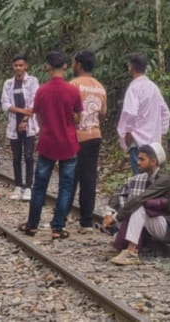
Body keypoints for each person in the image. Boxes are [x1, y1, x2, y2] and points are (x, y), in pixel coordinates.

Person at [19, 51, 82, 240]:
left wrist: (47, 127)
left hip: (47, 142)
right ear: (65, 66)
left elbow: (38, 116)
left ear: (47, 66)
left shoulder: (42, 90)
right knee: (65, 186)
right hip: (69, 143)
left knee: (39, 185)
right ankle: (58, 227)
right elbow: (78, 118)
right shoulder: (73, 90)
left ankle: (32, 224)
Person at [103, 142, 170, 265]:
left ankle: (131, 252)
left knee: (139, 206)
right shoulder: (146, 178)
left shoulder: (164, 180)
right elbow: (123, 192)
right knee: (134, 205)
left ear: (153, 161)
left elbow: (140, 200)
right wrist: (111, 213)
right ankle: (121, 247)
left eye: (142, 159)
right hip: (158, 223)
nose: (138, 162)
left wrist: (116, 218)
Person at [69, 50, 107, 233]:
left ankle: (61, 218)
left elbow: (69, 112)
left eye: (73, 62)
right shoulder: (100, 87)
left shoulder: (74, 85)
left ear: (78, 64)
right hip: (94, 136)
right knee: (89, 179)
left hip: (76, 137)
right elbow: (103, 113)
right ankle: (86, 222)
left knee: (70, 177)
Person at [116, 53, 170, 175]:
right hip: (153, 142)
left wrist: (128, 134)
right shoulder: (153, 87)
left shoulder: (134, 88)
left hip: (138, 140)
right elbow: (165, 112)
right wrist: (160, 132)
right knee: (153, 177)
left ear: (131, 67)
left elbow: (130, 113)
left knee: (140, 178)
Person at [1, 55, 39, 201]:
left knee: (29, 156)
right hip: (13, 125)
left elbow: (35, 102)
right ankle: (18, 185)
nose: (18, 68)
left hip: (29, 125)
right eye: (16, 65)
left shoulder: (32, 81)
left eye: (21, 65)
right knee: (16, 157)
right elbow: (5, 104)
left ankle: (29, 186)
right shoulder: (9, 83)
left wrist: (25, 119)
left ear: (26, 66)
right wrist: (22, 111)